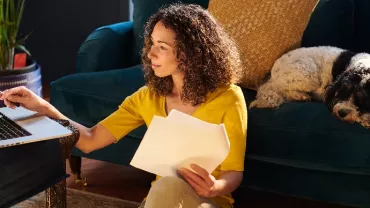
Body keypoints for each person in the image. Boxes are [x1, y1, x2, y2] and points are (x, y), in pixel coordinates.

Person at [0, 3, 247, 208]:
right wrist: (42, 107)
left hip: (209, 202)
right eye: (151, 44)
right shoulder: (147, 98)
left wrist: (216, 186)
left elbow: (234, 173)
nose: (150, 54)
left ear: (190, 54)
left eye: (162, 47)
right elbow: (89, 139)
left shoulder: (229, 98)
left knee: (168, 185)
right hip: (162, 199)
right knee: (166, 185)